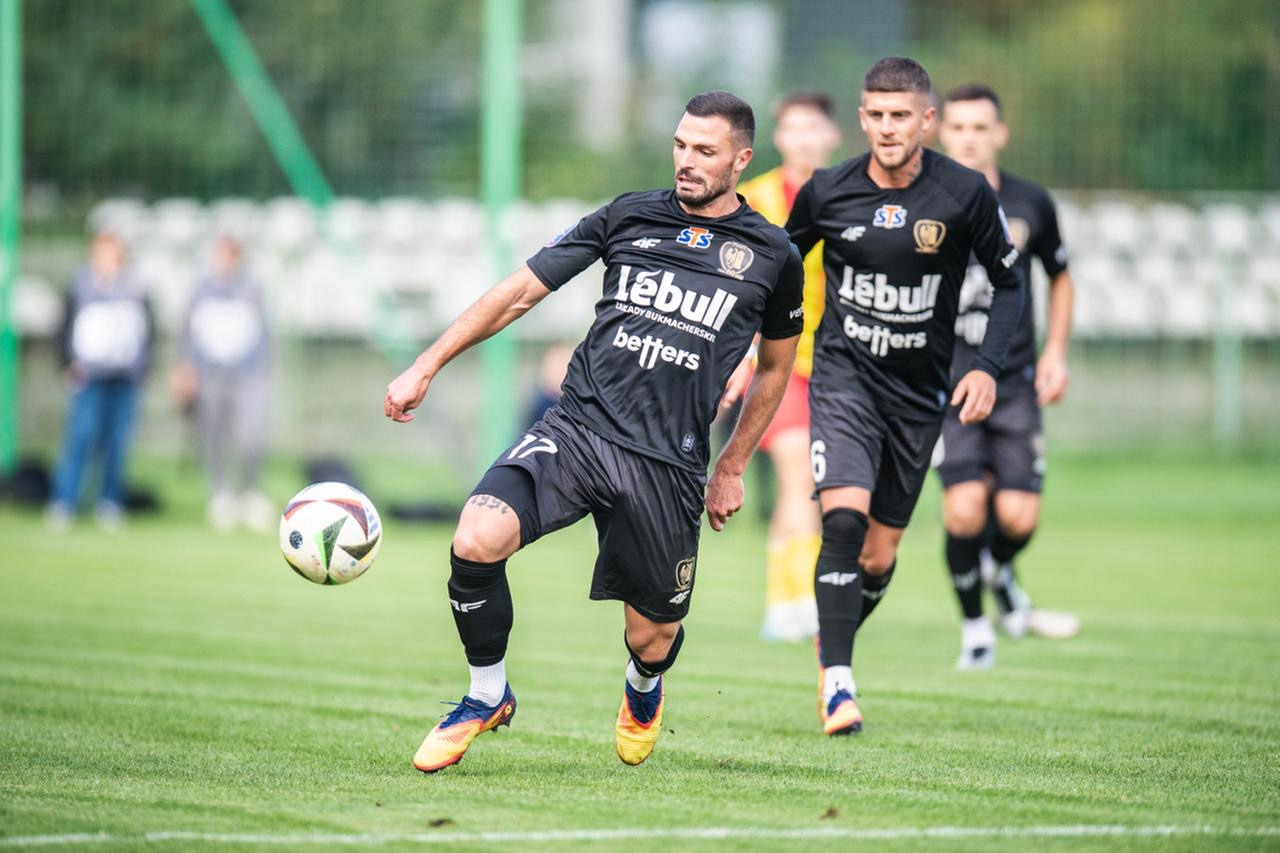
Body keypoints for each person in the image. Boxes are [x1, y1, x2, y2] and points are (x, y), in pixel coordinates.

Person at [384, 91, 804, 772]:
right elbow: (519, 292)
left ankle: (644, 685)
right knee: (477, 535)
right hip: (578, 429)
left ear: (741, 159)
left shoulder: (773, 253)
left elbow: (777, 368)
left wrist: (730, 466)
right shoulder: (628, 214)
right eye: (680, 145)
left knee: (652, 637)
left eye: (705, 151)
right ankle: (486, 693)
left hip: (667, 463)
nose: (686, 160)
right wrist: (426, 364)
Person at [785, 57, 1025, 736]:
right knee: (843, 521)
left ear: (927, 121)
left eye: (901, 116)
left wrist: (985, 367)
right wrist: (748, 349)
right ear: (861, 119)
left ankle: (833, 633)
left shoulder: (965, 193)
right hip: (842, 382)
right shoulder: (827, 190)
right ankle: (839, 683)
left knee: (878, 555)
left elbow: (1009, 284)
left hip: (919, 399)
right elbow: (779, 266)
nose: (887, 128)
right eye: (876, 115)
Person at [933, 84, 1079, 668]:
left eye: (980, 127)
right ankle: (976, 629)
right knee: (964, 509)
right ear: (941, 132)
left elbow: (1061, 276)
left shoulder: (1030, 203)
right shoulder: (924, 200)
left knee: (1018, 517)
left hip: (1014, 379)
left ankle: (997, 572)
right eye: (958, 127)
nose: (969, 138)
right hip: (948, 382)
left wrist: (1056, 351)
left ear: (1000, 134)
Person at [735, 92, 841, 643]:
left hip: (840, 365)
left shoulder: (850, 196)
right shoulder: (754, 200)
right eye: (793, 129)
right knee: (799, 474)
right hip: (777, 362)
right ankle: (798, 602)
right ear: (778, 138)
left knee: (821, 487)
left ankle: (787, 601)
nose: (803, 139)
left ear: (833, 135)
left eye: (813, 128)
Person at [46, 231, 154, 532]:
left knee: (117, 442)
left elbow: (147, 331)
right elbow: (63, 326)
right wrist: (66, 365)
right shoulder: (79, 285)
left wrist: (144, 368)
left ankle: (109, 501)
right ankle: (64, 500)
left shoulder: (135, 287)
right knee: (81, 436)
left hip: (123, 376)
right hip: (88, 376)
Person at [171, 235, 274, 532]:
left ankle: (250, 492)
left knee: (252, 435)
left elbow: (265, 333)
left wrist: (264, 369)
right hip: (210, 374)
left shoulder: (252, 289)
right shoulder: (201, 289)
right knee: (213, 434)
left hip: (247, 373)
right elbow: (186, 332)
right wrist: (184, 369)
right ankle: (220, 493)